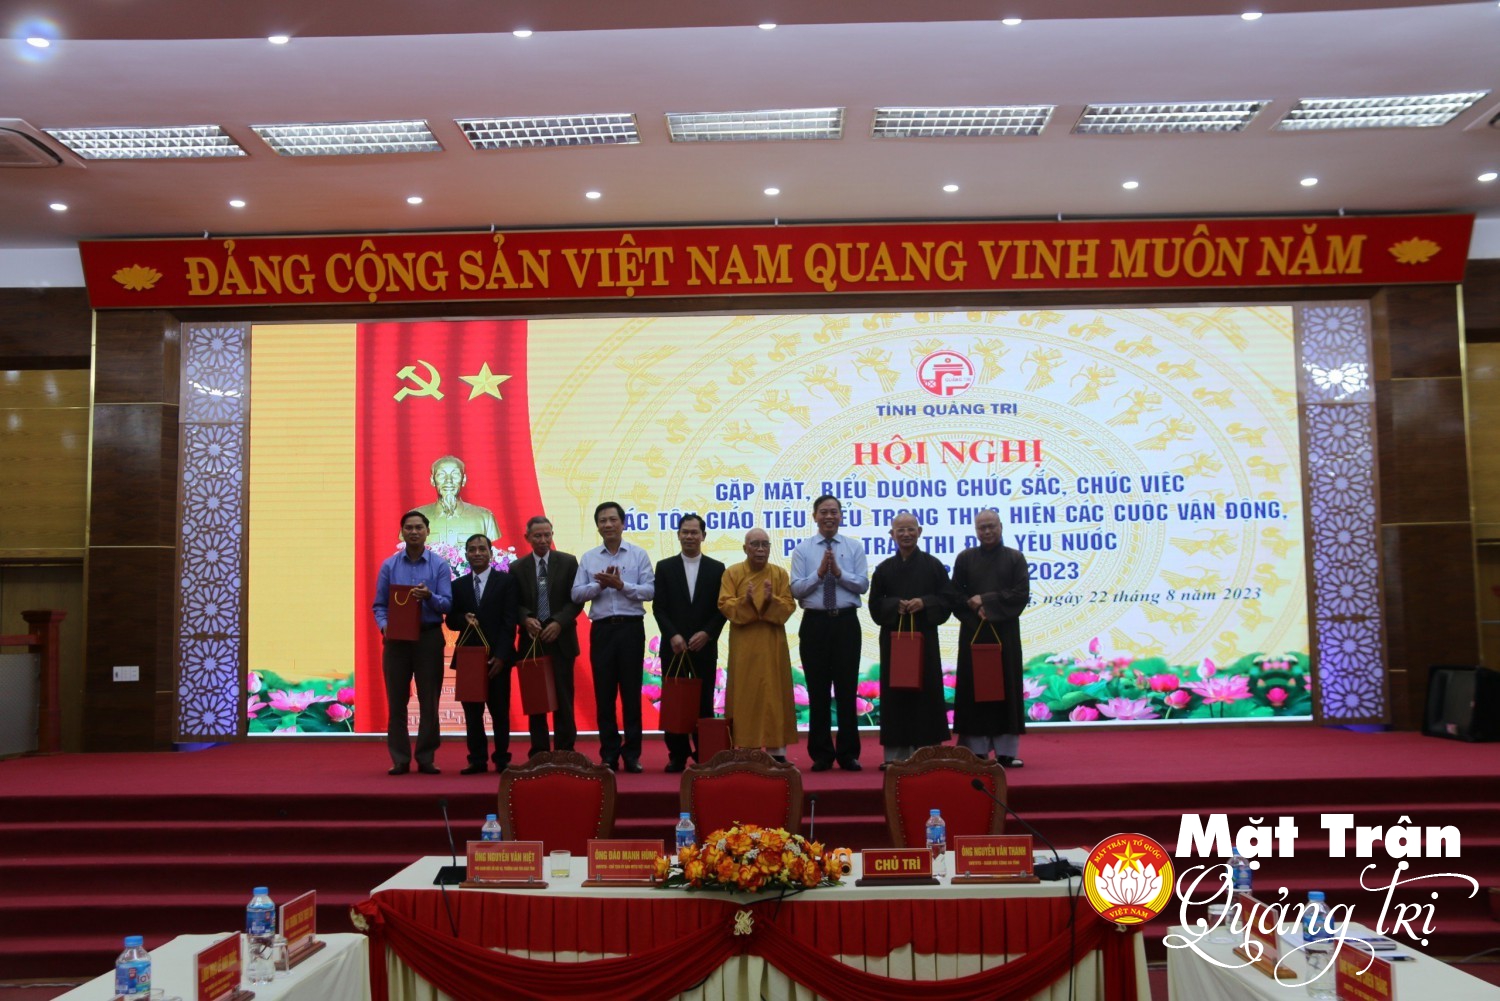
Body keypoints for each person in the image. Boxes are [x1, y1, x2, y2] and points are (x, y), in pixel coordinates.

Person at [572, 502, 655, 773]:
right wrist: (599, 585)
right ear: (597, 526)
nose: (608, 525)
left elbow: (650, 591)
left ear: (623, 523)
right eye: (602, 521)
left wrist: (621, 586)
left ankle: (632, 754)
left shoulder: (638, 555)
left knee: (631, 694)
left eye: (612, 519)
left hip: (631, 629)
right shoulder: (589, 558)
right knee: (604, 694)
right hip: (603, 630)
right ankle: (609, 754)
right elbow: (576, 594)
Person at [867, 513, 955, 766]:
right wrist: (896, 605)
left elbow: (947, 599)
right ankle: (896, 756)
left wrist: (924, 603)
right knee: (896, 694)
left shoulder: (933, 566)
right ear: (892, 535)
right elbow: (875, 606)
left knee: (926, 692)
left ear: (920, 531)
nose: (906, 534)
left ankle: (928, 754)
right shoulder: (884, 569)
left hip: (925, 640)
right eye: (900, 530)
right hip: (894, 641)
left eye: (910, 529)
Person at [790, 494, 869, 771]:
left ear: (841, 515)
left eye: (833, 511)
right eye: (823, 512)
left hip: (846, 623)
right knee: (818, 690)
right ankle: (822, 754)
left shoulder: (854, 547)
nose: (829, 516)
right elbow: (796, 589)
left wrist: (838, 572)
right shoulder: (803, 550)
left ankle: (848, 754)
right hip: (815, 624)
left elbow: (862, 585)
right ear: (814, 516)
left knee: (847, 689)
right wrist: (820, 574)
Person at [372, 510, 453, 775]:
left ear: (427, 532)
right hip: (396, 640)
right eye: (409, 527)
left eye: (419, 527)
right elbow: (379, 605)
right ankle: (400, 758)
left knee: (430, 701)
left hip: (428, 637)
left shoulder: (439, 565)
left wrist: (429, 596)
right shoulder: (389, 566)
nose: (414, 532)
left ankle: (426, 757)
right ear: (402, 532)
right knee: (397, 701)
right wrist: (385, 626)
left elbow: (447, 604)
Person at [952, 509, 1031, 767]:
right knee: (976, 689)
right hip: (974, 631)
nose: (987, 531)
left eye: (991, 526)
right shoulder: (965, 558)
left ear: (1001, 526)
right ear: (976, 530)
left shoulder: (1015, 558)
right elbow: (955, 595)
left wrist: (986, 601)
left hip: (1005, 633)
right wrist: (974, 608)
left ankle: (1007, 752)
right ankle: (977, 751)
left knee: (1005, 687)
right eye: (981, 527)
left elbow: (1020, 593)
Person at [652, 514, 727, 772]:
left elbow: (721, 609)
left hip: (704, 646)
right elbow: (659, 608)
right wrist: (672, 635)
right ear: (678, 535)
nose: (689, 536)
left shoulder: (717, 568)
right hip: (674, 647)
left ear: (703, 536)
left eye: (695, 532)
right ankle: (677, 755)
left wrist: (707, 633)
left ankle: (705, 754)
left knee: (704, 702)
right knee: (676, 703)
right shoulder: (665, 567)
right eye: (685, 532)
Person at [717, 528, 798, 759]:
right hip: (744, 646)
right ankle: (746, 749)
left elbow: (789, 606)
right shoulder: (732, 573)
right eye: (755, 544)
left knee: (774, 694)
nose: (760, 549)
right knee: (746, 696)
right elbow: (724, 604)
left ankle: (777, 752)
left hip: (772, 645)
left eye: (765, 544)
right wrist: (746, 602)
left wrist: (771, 601)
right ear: (745, 548)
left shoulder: (779, 574)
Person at [445, 533, 519, 774]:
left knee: (500, 711)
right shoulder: (458, 585)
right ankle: (477, 759)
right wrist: (462, 618)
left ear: (491, 553)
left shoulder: (506, 582)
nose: (477, 553)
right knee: (472, 712)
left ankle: (502, 759)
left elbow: (509, 622)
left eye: (482, 549)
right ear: (466, 554)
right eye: (472, 549)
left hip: (498, 657)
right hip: (469, 658)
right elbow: (451, 621)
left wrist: (502, 656)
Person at [512, 516, 582, 756]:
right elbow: (513, 603)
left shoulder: (568, 562)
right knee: (536, 700)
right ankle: (539, 750)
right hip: (531, 642)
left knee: (564, 697)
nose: (543, 540)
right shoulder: (517, 567)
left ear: (552, 535)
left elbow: (576, 600)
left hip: (561, 640)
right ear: (527, 538)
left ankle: (565, 749)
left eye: (547, 535)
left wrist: (559, 622)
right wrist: (525, 618)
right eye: (537, 536)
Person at [412, 455, 500, 549]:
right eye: (441, 475)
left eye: (455, 474)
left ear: (464, 480)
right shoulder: (413, 518)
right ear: (432, 480)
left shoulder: (485, 517)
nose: (448, 480)